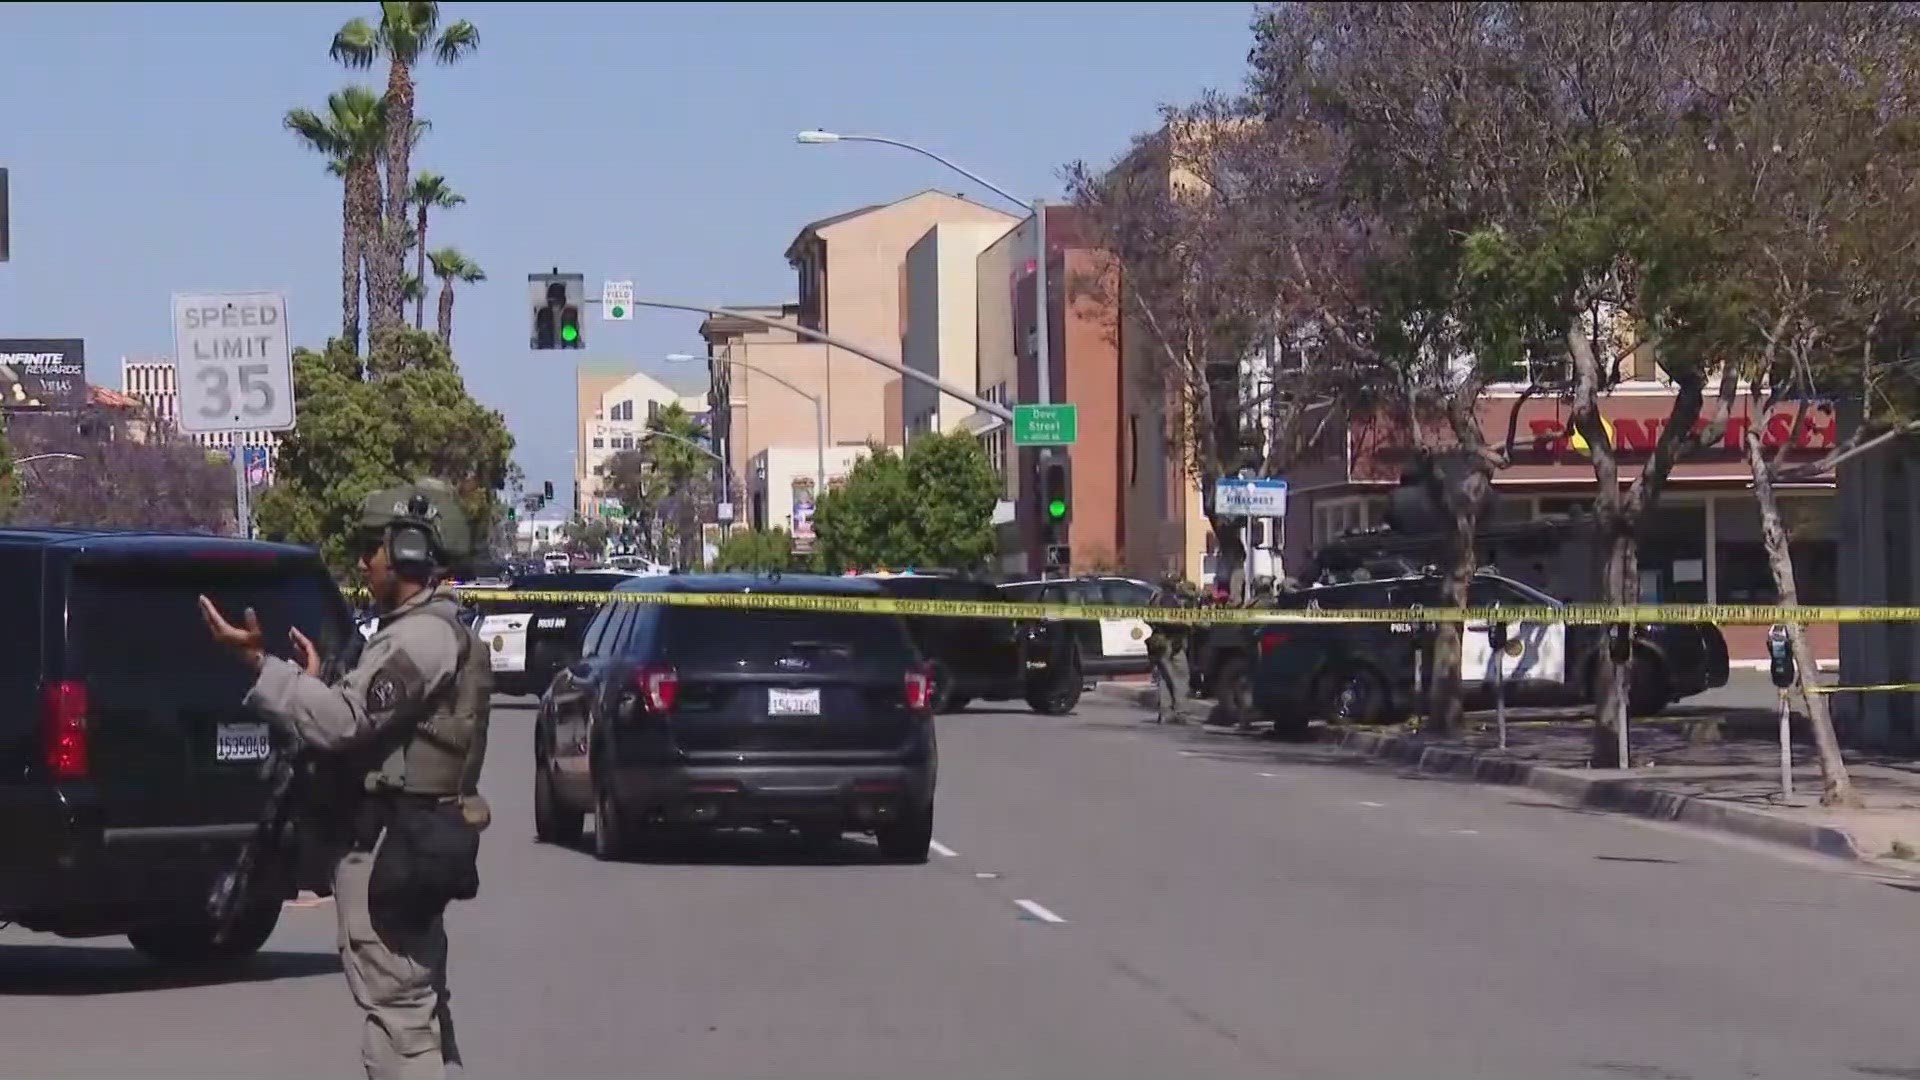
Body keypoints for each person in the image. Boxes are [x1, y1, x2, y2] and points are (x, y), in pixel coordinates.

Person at [200, 479, 491, 1080]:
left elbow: (344, 722)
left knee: (401, 1021)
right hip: (408, 842)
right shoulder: (424, 630)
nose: (364, 561)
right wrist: (316, 682)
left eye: (372, 547)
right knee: (418, 1010)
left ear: (409, 551)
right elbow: (371, 715)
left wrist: (262, 667)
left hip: (393, 847)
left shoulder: (420, 638)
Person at [1145, 575, 1196, 725]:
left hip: (1159, 642)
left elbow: (1147, 617)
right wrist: (1185, 625)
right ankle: (1180, 713)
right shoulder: (1169, 600)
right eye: (1177, 582)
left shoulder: (1155, 597)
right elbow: (1172, 621)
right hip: (1171, 642)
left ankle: (1165, 712)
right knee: (1180, 677)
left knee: (1164, 678)